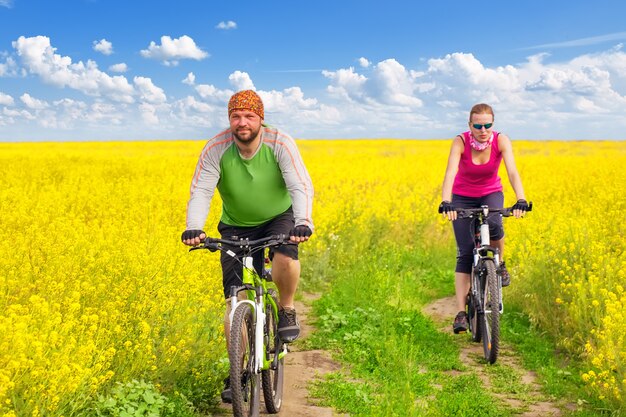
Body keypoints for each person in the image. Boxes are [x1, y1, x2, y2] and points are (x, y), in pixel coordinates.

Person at [181, 89, 314, 402]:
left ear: (260, 119)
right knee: (235, 301)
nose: (242, 122)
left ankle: (288, 308)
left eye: (249, 116)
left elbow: (299, 183)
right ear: (229, 120)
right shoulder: (216, 147)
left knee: (284, 256)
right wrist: (194, 228)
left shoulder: (279, 142)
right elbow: (201, 189)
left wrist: (303, 221)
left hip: (279, 217)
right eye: (236, 116)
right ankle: (238, 371)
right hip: (236, 223)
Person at [439, 103, 529, 334]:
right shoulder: (460, 142)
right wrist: (447, 202)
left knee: (496, 225)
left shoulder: (501, 141)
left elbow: (512, 172)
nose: (483, 129)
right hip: (462, 196)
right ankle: (461, 312)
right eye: (478, 125)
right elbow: (450, 172)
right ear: (470, 125)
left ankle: (499, 265)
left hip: (490, 193)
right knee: (466, 251)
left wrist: (521, 199)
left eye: (487, 124)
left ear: (492, 124)